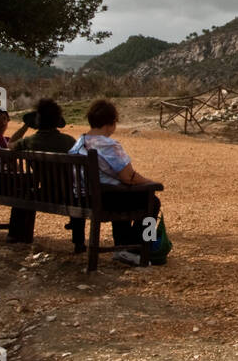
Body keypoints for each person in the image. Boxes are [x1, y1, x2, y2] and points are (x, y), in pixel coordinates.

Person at [69, 99, 162, 267]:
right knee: (152, 201)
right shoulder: (108, 145)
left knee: (124, 195)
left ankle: (123, 245)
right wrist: (151, 183)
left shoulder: (79, 142)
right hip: (102, 200)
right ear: (111, 123)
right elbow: (129, 177)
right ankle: (139, 248)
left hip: (82, 198)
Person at [10, 99, 78, 247]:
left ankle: (14, 234)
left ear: (37, 121)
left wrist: (26, 125)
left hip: (44, 193)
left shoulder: (28, 142)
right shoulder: (69, 141)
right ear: (56, 121)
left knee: (22, 194)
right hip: (69, 196)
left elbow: (10, 145)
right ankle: (78, 242)